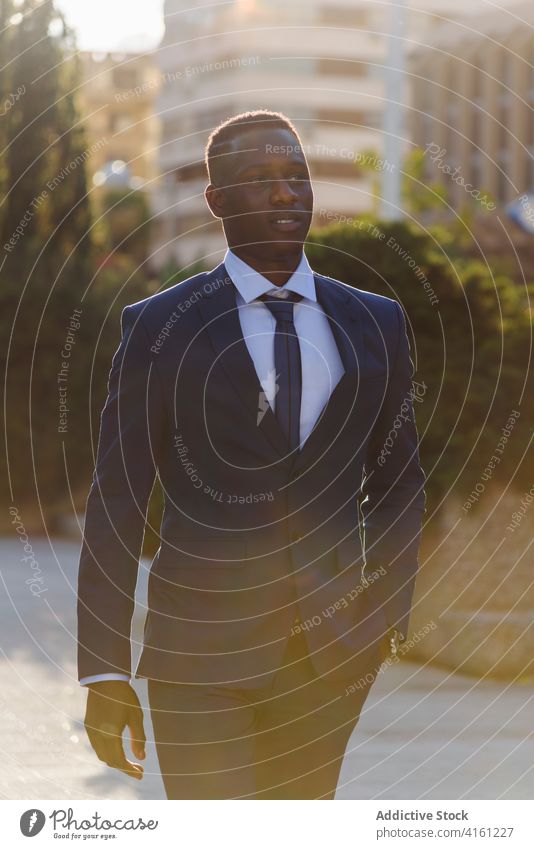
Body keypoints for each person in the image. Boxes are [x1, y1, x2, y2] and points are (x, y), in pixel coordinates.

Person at [78, 109, 426, 799]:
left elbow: (399, 484)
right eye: (259, 179)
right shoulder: (159, 328)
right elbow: (116, 501)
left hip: (330, 654)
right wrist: (103, 668)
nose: (284, 194)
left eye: (296, 177)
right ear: (217, 201)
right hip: (197, 651)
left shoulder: (377, 322)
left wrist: (382, 618)